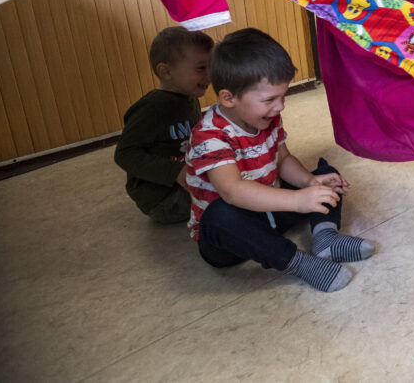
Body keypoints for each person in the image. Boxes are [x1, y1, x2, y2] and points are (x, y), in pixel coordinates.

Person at [186, 28, 374, 293]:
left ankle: (326, 239)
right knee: (219, 217)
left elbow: (283, 158)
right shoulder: (209, 136)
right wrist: (298, 201)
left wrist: (310, 182)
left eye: (283, 96)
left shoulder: (267, 118)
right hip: (231, 236)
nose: (281, 106)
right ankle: (299, 262)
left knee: (326, 173)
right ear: (229, 98)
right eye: (270, 99)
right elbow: (232, 191)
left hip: (269, 208)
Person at [114, 27, 213, 224]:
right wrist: (175, 172)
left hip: (187, 181)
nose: (209, 75)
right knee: (230, 192)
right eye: (201, 68)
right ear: (166, 71)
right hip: (162, 199)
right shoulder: (153, 107)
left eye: (212, 66)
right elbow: (124, 154)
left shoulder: (188, 96)